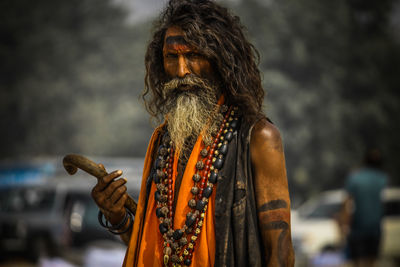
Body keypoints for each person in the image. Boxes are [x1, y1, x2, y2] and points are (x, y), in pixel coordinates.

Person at [91, 0, 294, 266]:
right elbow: (163, 251)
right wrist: (117, 216)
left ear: (220, 59)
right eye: (171, 57)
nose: (182, 71)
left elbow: (280, 255)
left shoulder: (258, 137)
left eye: (194, 55)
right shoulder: (163, 142)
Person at [343, 148, 387, 267]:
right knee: (371, 261)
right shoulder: (382, 178)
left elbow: (347, 203)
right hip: (375, 227)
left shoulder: (355, 177)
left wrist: (345, 224)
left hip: (358, 227)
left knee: (357, 261)